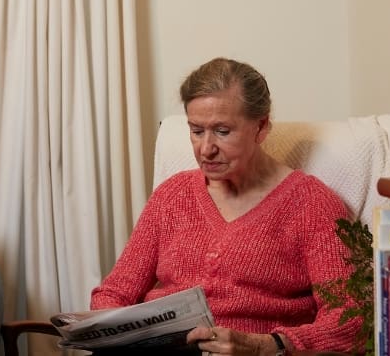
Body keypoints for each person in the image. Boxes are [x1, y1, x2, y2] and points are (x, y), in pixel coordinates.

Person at [90, 58, 361, 355]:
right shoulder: (171, 196)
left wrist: (264, 346)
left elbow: (350, 321)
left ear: (261, 127)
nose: (206, 149)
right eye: (196, 131)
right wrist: (107, 328)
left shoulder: (313, 205)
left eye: (222, 131)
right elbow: (115, 292)